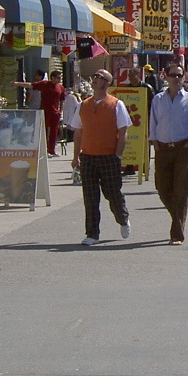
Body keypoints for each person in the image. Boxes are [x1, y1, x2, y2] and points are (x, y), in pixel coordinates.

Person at [72, 69, 131, 245]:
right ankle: (92, 234)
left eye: (99, 77)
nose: (95, 79)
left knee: (113, 193)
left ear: (107, 83)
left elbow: (123, 131)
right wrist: (76, 157)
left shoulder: (116, 104)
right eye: (94, 76)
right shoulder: (84, 105)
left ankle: (123, 218)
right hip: (88, 157)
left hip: (109, 157)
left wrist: (118, 155)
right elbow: (78, 132)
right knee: (90, 197)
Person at [148, 63, 188, 245]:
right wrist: (155, 143)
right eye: (173, 75)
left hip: (183, 148)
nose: (177, 79)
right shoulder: (158, 99)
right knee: (162, 188)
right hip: (163, 148)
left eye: (180, 75)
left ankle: (177, 232)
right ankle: (177, 217)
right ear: (166, 76)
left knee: (180, 190)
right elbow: (153, 122)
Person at [15, 70, 66, 156]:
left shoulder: (60, 87)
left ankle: (51, 150)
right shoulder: (45, 84)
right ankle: (44, 150)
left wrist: (60, 111)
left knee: (54, 132)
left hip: (55, 113)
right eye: (58, 78)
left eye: (60, 78)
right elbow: (30, 85)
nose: (59, 79)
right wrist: (17, 83)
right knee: (44, 131)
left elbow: (62, 100)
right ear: (52, 77)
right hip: (44, 111)